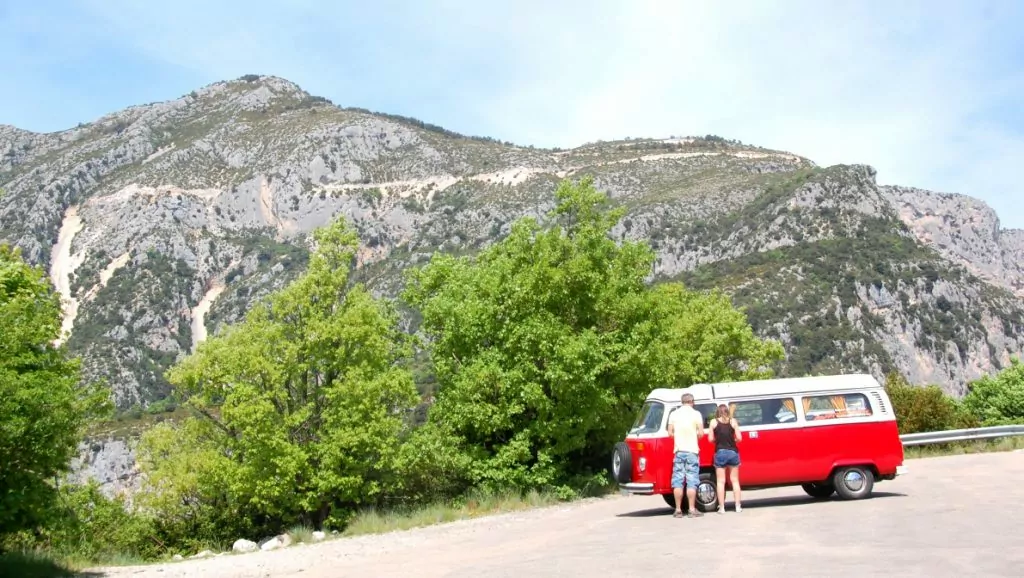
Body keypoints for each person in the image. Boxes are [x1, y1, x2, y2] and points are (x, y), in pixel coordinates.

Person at [666, 393, 706, 518]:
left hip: (679, 450)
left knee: (678, 480)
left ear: (682, 402)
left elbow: (670, 433)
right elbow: (701, 433)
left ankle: (678, 510)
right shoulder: (696, 414)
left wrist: (678, 437)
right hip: (692, 451)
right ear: (692, 401)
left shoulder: (674, 414)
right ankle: (691, 509)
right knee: (691, 481)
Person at [707, 403, 742, 513]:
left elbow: (710, 439)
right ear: (727, 411)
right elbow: (740, 438)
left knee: (721, 482)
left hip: (720, 452)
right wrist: (733, 441)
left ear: (717, 412)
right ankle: (737, 506)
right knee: (735, 481)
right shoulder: (733, 421)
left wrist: (717, 442)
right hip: (733, 452)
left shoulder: (713, 422)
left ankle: (722, 508)